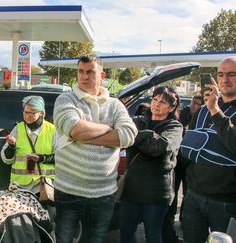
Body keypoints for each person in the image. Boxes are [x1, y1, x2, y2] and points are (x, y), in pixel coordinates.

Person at [53, 54, 137, 243]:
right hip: (69, 192)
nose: (84, 76)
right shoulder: (66, 99)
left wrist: (86, 135)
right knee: (64, 239)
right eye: (80, 72)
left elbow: (129, 135)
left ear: (101, 75)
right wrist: (110, 130)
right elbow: (74, 128)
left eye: (90, 72)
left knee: (96, 240)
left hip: (103, 195)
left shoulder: (115, 105)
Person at [181, 56, 236, 243]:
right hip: (194, 195)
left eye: (232, 74)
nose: (224, 79)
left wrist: (215, 110)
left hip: (227, 202)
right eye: (221, 74)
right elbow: (190, 145)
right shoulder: (204, 109)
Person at [119, 86, 183, 243]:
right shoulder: (137, 121)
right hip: (132, 190)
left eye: (162, 102)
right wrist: (148, 135)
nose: (157, 104)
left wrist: (136, 138)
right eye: (155, 99)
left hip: (156, 193)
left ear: (172, 107)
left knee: (153, 235)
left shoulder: (174, 127)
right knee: (126, 233)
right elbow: (124, 139)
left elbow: (157, 148)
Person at [162, 94, 203, 243]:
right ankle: (169, 227)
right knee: (172, 193)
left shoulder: (204, 116)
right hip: (177, 160)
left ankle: (186, 222)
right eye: (194, 102)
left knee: (188, 193)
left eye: (198, 104)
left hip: (191, 162)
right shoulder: (183, 113)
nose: (195, 106)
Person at [1, 95, 57, 193]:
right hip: (19, 186)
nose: (27, 116)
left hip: (43, 186)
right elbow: (6, 160)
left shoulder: (52, 130)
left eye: (32, 113)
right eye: (25, 112)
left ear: (41, 113)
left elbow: (62, 157)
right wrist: (11, 147)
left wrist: (42, 158)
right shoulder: (18, 129)